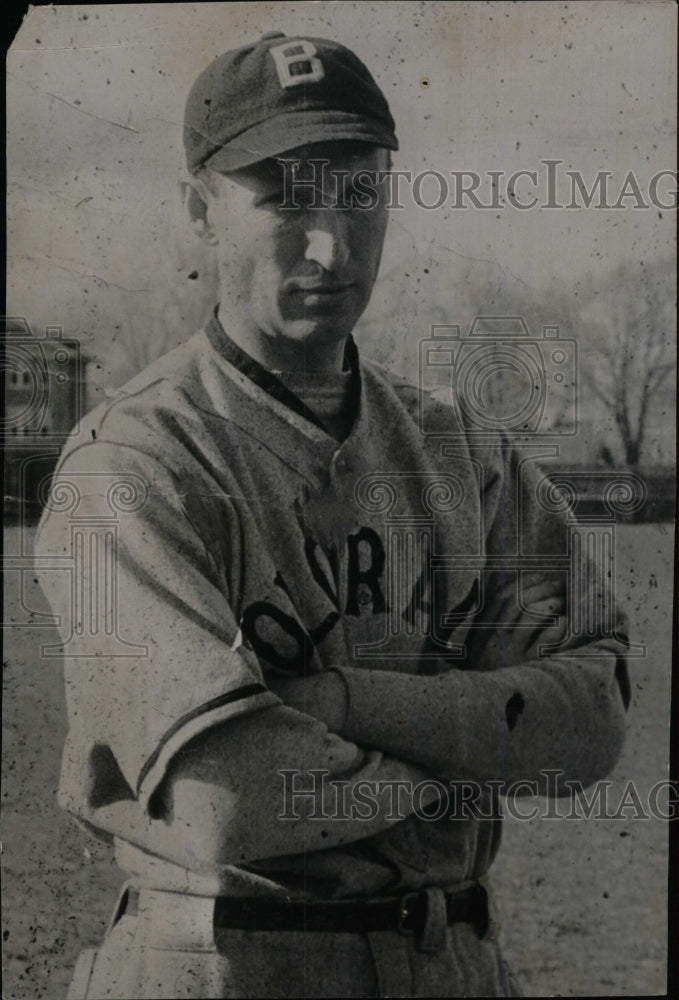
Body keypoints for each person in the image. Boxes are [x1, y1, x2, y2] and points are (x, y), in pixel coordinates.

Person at [36, 32, 631, 999]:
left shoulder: (461, 453)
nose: (332, 244)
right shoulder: (136, 465)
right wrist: (478, 747)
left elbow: (597, 716)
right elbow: (228, 797)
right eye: (286, 199)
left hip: (456, 963)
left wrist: (341, 707)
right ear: (200, 210)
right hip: (227, 963)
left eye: (359, 195)